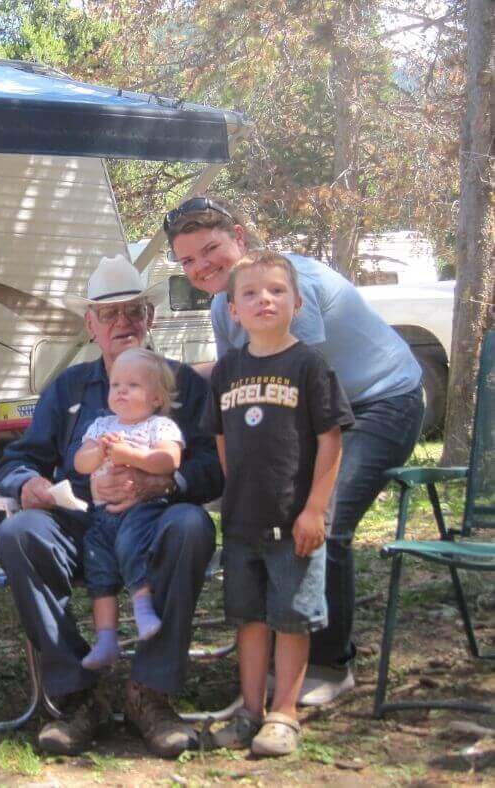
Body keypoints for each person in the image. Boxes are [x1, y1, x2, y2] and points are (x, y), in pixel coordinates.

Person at [165, 195, 425, 704]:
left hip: (381, 402)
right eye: (187, 261)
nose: (201, 266)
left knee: (323, 519)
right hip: (316, 413)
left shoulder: (288, 284)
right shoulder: (226, 306)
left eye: (210, 249)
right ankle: (277, 639)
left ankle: (330, 664)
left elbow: (294, 389)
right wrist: (162, 381)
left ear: (239, 236)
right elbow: (240, 383)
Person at [0, 255, 223, 758]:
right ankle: (80, 694)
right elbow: (19, 459)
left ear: (151, 319)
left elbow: (213, 467)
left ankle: (150, 694)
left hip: (155, 524)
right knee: (18, 534)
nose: (123, 324)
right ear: (91, 325)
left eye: (134, 312)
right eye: (110, 314)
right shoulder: (70, 389)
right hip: (82, 528)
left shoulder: (185, 386)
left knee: (191, 524)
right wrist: (27, 483)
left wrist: (163, 484)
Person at [202, 251, 353, 756]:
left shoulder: (309, 365)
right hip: (244, 524)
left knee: (291, 617)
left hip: (295, 525)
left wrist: (316, 509)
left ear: (298, 302)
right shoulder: (227, 370)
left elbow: (331, 440)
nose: (264, 299)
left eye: (276, 291)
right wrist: (236, 494)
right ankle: (250, 710)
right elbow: (222, 438)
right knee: (249, 617)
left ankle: (284, 712)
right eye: (250, 293)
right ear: (232, 311)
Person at [74, 348, 183, 669]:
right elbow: (81, 463)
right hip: (102, 514)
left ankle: (142, 607)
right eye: (115, 384)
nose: (121, 390)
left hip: (143, 510)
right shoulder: (101, 426)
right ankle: (106, 639)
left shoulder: (158, 427)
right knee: (97, 566)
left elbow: (168, 461)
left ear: (156, 399)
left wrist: (127, 455)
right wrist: (99, 452)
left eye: (133, 385)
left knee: (130, 546)